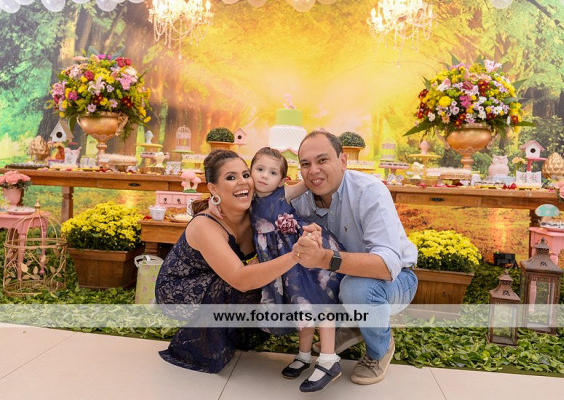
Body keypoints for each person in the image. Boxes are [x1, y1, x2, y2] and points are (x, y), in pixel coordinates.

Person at [290, 130, 419, 385]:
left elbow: (387, 266)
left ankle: (379, 350)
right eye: (305, 164)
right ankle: (351, 326)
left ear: (343, 161)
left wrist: (324, 258)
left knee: (357, 289)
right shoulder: (302, 198)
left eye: (322, 160)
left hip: (396, 280)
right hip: (341, 276)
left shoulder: (369, 191)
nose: (313, 170)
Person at [155, 149, 299, 374]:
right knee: (245, 278)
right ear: (213, 188)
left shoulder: (257, 210)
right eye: (231, 177)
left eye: (245, 175)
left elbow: (274, 168)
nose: (242, 182)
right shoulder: (205, 225)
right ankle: (203, 344)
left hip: (222, 277)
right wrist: (295, 256)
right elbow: (240, 279)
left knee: (262, 275)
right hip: (181, 290)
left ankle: (234, 331)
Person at [248, 147, 345, 392]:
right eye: (259, 169)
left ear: (282, 180)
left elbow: (309, 183)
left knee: (318, 298)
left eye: (272, 173)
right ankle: (304, 355)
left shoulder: (284, 193)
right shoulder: (246, 197)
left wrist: (331, 167)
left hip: (303, 251)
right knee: (301, 303)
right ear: (250, 171)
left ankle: (328, 358)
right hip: (281, 263)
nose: (264, 176)